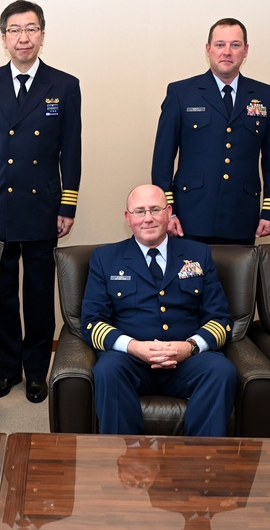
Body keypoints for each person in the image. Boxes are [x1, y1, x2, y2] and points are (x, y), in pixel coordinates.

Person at [0, 0, 82, 403]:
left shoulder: (64, 85)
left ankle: (36, 373)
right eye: (14, 30)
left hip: (42, 206)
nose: (23, 38)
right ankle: (9, 369)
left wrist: (67, 206)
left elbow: (72, 150)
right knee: (2, 296)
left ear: (42, 35)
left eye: (31, 29)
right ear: (3, 38)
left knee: (36, 296)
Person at [80, 184, 237, 435]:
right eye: (140, 211)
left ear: (168, 212)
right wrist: (134, 347)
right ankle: (128, 462)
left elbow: (220, 320)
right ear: (128, 218)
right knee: (107, 370)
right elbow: (91, 322)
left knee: (221, 371)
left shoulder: (198, 254)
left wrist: (189, 346)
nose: (148, 218)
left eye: (155, 209)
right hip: (131, 361)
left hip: (187, 361)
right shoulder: (105, 258)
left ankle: (201, 463)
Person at [151, 17, 270, 245]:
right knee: (190, 280)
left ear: (246, 50)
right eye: (220, 45)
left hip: (242, 216)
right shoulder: (181, 93)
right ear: (208, 49)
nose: (227, 52)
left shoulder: (265, 96)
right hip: (190, 216)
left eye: (235, 45)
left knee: (239, 280)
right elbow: (162, 158)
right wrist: (167, 210)